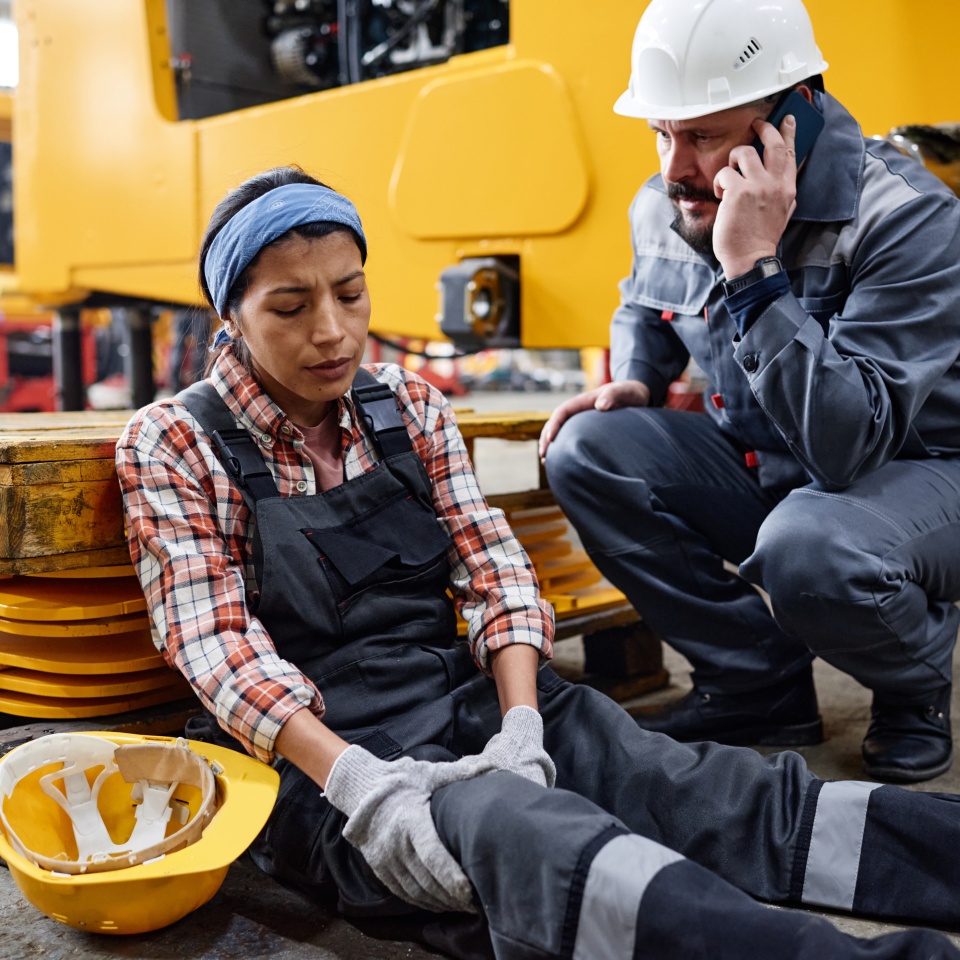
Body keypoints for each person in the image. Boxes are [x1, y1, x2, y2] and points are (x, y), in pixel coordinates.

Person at [117, 165, 960, 960]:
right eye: (290, 307)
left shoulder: (405, 405)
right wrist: (362, 786)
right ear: (231, 315)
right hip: (321, 761)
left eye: (350, 292)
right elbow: (217, 650)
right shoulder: (175, 443)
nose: (332, 331)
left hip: (466, 695)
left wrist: (522, 726)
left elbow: (494, 570)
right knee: (540, 843)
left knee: (685, 785)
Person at [540, 0, 960, 785]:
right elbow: (644, 301)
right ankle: (757, 683)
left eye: (702, 135)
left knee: (813, 545)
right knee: (587, 449)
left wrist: (754, 272)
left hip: (922, 478)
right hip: (772, 463)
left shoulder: (906, 220)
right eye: (661, 133)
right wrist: (639, 374)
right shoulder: (669, 199)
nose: (673, 168)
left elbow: (849, 444)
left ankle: (913, 684)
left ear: (791, 120)